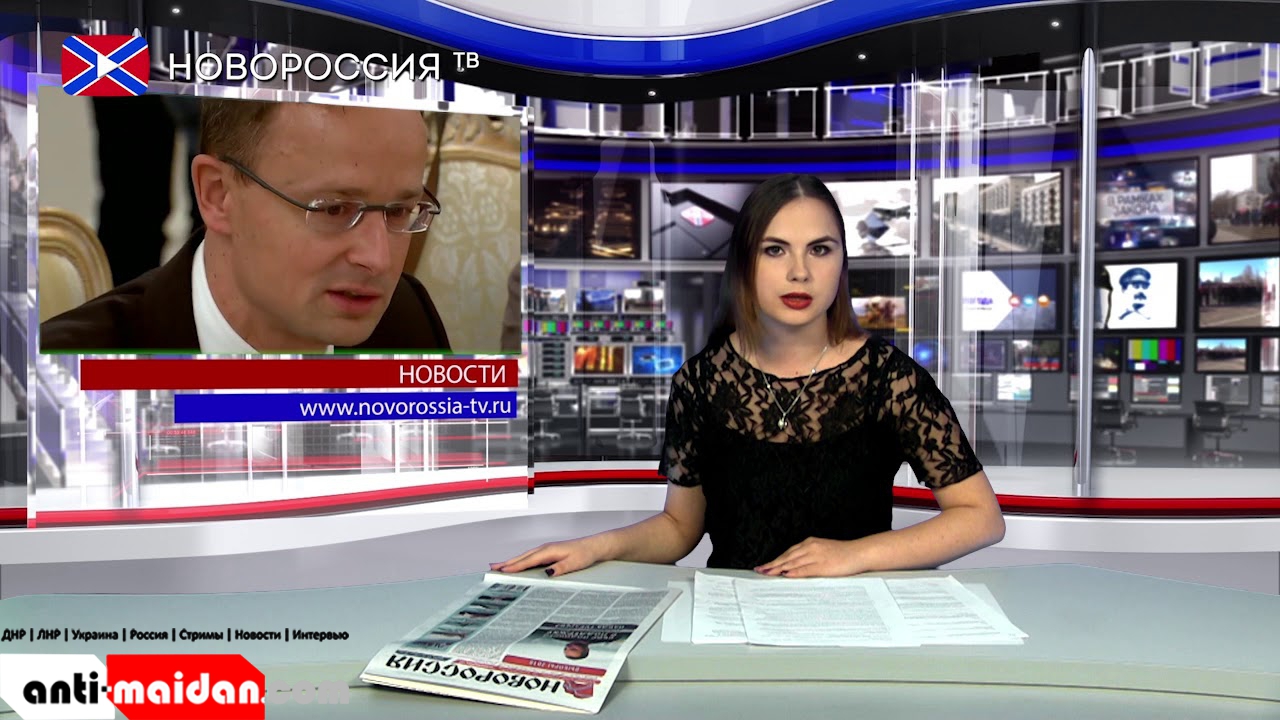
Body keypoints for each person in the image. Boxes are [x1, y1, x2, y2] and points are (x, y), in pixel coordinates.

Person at [494, 174, 1004, 579]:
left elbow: (980, 517)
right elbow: (679, 528)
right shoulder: (700, 382)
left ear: (842, 262)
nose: (799, 272)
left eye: (820, 249)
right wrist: (596, 547)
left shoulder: (890, 378)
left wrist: (855, 555)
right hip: (730, 621)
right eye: (775, 249)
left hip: (855, 621)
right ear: (744, 262)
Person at [40, 97, 451, 353]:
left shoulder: (406, 322)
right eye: (334, 209)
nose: (378, 259)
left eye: (399, 211)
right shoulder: (66, 377)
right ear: (218, 194)